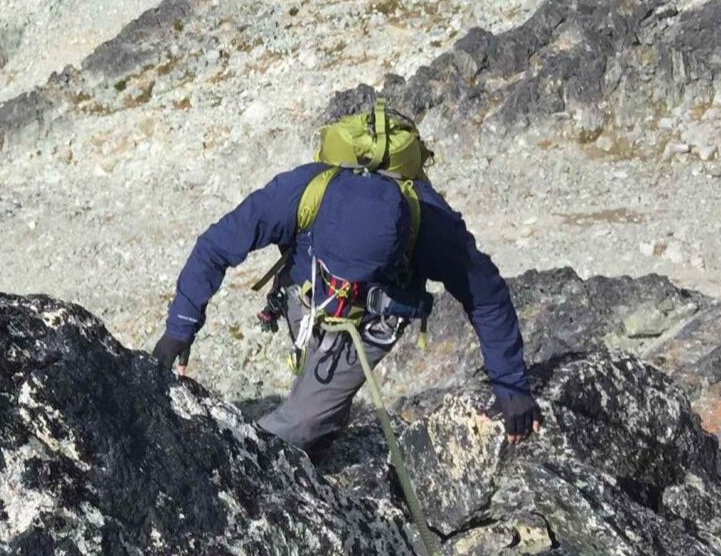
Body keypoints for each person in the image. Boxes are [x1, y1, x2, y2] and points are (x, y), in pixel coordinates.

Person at [152, 164, 540, 453]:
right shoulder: (300, 194)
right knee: (317, 403)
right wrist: (180, 327)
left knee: (302, 422)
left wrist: (511, 385)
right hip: (304, 293)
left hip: (374, 320)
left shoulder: (435, 230)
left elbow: (488, 298)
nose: (345, 286)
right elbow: (215, 247)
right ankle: (324, 422)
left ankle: (248, 455)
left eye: (356, 276)